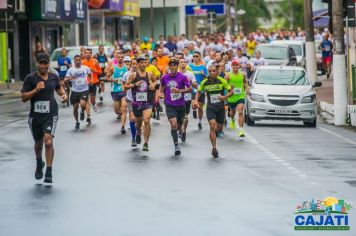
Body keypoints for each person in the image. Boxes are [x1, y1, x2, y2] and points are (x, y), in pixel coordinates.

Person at [21, 53, 67, 183]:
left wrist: (63, 95)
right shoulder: (30, 79)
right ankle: (38, 162)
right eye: (41, 63)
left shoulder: (53, 77)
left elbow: (58, 88)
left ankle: (49, 171)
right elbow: (23, 97)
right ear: (37, 64)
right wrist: (35, 90)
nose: (43, 66)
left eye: (45, 63)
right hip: (35, 116)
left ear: (48, 64)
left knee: (48, 141)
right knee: (38, 142)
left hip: (51, 114)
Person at [192, 64, 233, 158]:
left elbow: (231, 92)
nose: (212, 73)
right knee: (212, 125)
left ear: (217, 71)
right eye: (210, 71)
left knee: (218, 128)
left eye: (214, 71)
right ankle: (214, 148)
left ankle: (218, 131)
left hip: (220, 108)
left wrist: (224, 97)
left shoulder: (222, 80)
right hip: (210, 108)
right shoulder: (205, 82)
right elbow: (198, 91)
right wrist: (196, 100)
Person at [124, 55, 156, 151]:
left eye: (144, 62)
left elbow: (155, 82)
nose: (142, 64)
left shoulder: (149, 74)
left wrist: (152, 85)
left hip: (147, 102)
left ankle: (146, 142)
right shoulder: (133, 75)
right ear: (137, 64)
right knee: (138, 124)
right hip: (137, 103)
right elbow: (125, 87)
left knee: (146, 120)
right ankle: (138, 133)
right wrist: (135, 84)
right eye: (140, 62)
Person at [160, 59, 192, 155]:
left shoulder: (183, 77)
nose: (173, 67)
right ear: (169, 67)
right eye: (171, 65)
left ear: (177, 66)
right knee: (173, 124)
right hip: (169, 104)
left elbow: (190, 88)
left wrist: (180, 91)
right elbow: (161, 87)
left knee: (178, 125)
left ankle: (181, 130)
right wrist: (161, 93)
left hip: (181, 105)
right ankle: (176, 145)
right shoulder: (164, 77)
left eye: (174, 65)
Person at [65, 55, 93, 130]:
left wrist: (91, 80)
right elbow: (65, 80)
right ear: (74, 61)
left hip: (84, 89)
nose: (78, 61)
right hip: (74, 91)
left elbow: (90, 74)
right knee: (75, 108)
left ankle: (82, 112)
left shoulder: (85, 68)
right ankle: (77, 121)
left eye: (79, 60)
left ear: (81, 60)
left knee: (83, 104)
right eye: (76, 60)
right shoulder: (70, 70)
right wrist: (70, 78)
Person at [225, 60, 249, 137]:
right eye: (234, 65)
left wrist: (247, 89)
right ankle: (232, 120)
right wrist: (229, 89)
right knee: (232, 112)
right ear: (231, 66)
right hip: (231, 97)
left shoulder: (242, 74)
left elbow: (245, 83)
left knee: (240, 111)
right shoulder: (228, 75)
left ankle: (241, 130)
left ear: (239, 66)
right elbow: (224, 85)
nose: (235, 66)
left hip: (240, 96)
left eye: (237, 65)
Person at [107, 51, 128, 133]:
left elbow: (131, 76)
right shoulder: (113, 67)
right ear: (116, 58)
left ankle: (123, 127)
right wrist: (113, 80)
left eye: (121, 57)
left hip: (124, 91)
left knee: (123, 108)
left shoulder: (127, 68)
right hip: (115, 91)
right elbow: (107, 77)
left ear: (123, 58)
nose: (120, 58)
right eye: (118, 57)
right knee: (116, 111)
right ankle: (119, 113)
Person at [178, 58, 197, 142]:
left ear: (186, 64)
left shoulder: (190, 74)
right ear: (178, 64)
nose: (183, 63)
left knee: (185, 116)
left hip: (187, 97)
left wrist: (191, 83)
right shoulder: (176, 74)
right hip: (177, 97)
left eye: (184, 62)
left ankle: (184, 131)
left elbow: (196, 85)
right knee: (179, 117)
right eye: (181, 62)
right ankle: (180, 129)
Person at [189, 51, 208, 130]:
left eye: (197, 56)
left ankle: (199, 122)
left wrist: (204, 74)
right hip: (193, 88)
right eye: (194, 56)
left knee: (200, 107)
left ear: (200, 57)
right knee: (194, 105)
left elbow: (207, 78)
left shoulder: (203, 67)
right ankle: (193, 110)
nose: (195, 58)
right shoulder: (189, 67)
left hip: (201, 89)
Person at [82, 48, 102, 118]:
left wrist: (94, 70)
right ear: (84, 54)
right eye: (86, 53)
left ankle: (94, 104)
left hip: (93, 83)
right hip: (85, 84)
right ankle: (88, 115)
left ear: (91, 54)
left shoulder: (95, 61)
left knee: (92, 100)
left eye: (89, 53)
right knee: (86, 100)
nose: (88, 54)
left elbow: (100, 72)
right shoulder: (82, 62)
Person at [123, 58, 138, 147]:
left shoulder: (143, 74)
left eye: (136, 64)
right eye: (133, 64)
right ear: (131, 65)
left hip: (141, 100)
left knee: (139, 120)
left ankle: (138, 132)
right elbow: (124, 85)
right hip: (130, 99)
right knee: (132, 119)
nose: (135, 65)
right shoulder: (126, 74)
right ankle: (133, 138)